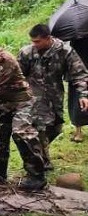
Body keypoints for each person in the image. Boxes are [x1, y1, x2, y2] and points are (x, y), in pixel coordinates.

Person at [0, 26, 47, 190]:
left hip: (21, 102)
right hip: (1, 102)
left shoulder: (3, 59)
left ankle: (37, 176)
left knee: (22, 132)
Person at [18, 24, 88, 169]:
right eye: (32, 41)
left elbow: (79, 73)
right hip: (34, 98)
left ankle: (41, 155)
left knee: (56, 128)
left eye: (37, 41)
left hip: (54, 96)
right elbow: (17, 75)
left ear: (48, 38)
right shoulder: (27, 53)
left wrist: (83, 94)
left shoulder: (64, 51)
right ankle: (40, 161)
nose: (34, 44)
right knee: (39, 128)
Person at [69, 38, 88, 142]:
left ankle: (78, 132)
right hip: (77, 72)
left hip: (78, 72)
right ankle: (78, 131)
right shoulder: (75, 34)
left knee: (77, 101)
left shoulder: (74, 32)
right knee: (76, 102)